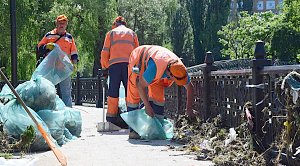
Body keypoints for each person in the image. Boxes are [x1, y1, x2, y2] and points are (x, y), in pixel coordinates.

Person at [127, 45, 196, 139]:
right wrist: (147, 106)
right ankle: (133, 131)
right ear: (170, 74)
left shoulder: (180, 69)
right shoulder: (154, 68)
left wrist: (189, 109)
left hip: (158, 66)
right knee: (134, 92)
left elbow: (189, 87)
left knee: (158, 97)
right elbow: (140, 85)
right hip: (139, 60)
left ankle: (155, 129)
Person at [100, 16, 139, 127]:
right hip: (129, 66)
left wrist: (105, 67)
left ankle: (111, 118)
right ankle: (132, 117)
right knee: (130, 91)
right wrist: (137, 68)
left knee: (113, 92)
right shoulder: (132, 34)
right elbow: (137, 52)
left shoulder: (111, 34)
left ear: (115, 24)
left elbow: (105, 52)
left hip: (114, 66)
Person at [37, 14, 79, 107]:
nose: (61, 25)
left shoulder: (69, 37)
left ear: (66, 25)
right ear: (56, 24)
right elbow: (39, 48)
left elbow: (74, 53)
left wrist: (74, 65)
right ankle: (48, 110)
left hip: (64, 69)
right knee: (48, 90)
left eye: (63, 23)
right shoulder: (49, 35)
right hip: (50, 68)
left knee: (66, 92)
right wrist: (47, 46)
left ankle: (67, 112)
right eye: (60, 23)